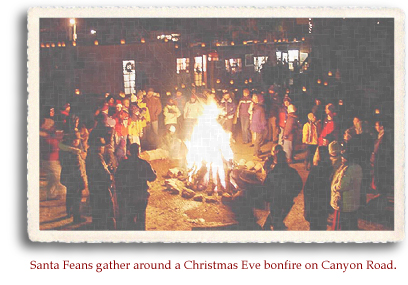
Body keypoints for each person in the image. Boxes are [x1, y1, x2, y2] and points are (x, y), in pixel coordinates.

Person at [115, 143, 157, 230]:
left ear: (129, 151)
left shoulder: (123, 164)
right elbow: (152, 177)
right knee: (140, 218)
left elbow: (117, 176)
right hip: (140, 196)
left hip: (127, 196)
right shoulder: (144, 164)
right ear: (138, 152)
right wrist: (154, 172)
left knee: (129, 217)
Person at [263, 151, 303, 230]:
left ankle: (271, 228)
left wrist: (268, 199)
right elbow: (299, 185)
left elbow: (266, 187)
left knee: (275, 216)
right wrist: (293, 194)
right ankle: (272, 226)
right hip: (287, 200)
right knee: (280, 216)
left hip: (275, 201)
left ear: (276, 160)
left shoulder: (272, 173)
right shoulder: (292, 172)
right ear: (286, 159)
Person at [86, 137, 117, 230]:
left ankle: (97, 227)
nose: (103, 148)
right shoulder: (97, 157)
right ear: (98, 147)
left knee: (96, 210)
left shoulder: (89, 155)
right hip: (101, 187)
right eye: (102, 146)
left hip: (93, 186)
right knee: (107, 209)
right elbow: (104, 173)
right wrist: (110, 180)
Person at [330, 150, 363, 230]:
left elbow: (342, 186)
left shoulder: (347, 170)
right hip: (353, 199)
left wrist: (334, 187)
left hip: (344, 201)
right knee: (352, 221)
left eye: (343, 157)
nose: (341, 158)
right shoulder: (358, 167)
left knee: (343, 224)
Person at [59, 134, 87, 223]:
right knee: (77, 198)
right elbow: (78, 170)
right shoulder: (74, 153)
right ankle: (77, 217)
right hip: (75, 179)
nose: (77, 141)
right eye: (75, 139)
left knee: (70, 195)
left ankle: (69, 212)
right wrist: (83, 181)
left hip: (67, 178)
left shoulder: (64, 150)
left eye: (77, 139)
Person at [303, 146, 332, 230]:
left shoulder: (315, 171)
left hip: (314, 207)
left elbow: (307, 191)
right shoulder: (330, 168)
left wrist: (307, 209)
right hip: (324, 206)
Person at [40, 118, 64, 200]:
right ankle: (52, 195)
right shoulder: (45, 137)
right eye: (52, 126)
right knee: (56, 177)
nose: (54, 127)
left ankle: (51, 194)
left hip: (52, 160)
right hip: (50, 160)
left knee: (53, 178)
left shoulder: (47, 135)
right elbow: (54, 147)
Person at [249, 93, 267, 160]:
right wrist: (264, 126)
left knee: (257, 139)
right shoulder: (261, 108)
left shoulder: (256, 106)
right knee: (258, 140)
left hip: (255, 125)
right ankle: (255, 154)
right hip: (259, 126)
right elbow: (262, 119)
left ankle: (258, 151)